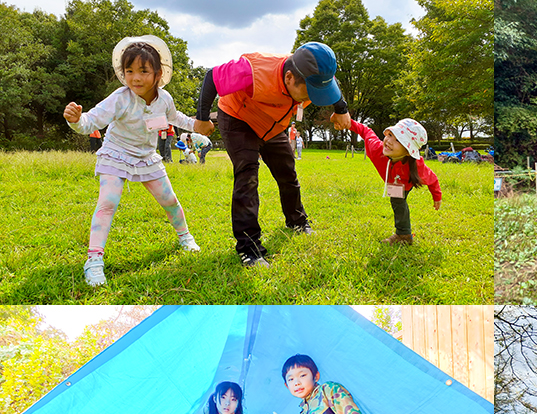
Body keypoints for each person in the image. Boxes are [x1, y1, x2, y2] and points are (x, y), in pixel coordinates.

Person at [63, 35, 210, 286]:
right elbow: (92, 121)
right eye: (129, 71)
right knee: (108, 202)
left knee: (170, 201)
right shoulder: (120, 97)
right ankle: (94, 260)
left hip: (146, 158)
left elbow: (177, 118)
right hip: (116, 153)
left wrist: (198, 126)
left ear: (158, 73)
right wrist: (76, 119)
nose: (135, 78)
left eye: (143, 71)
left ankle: (185, 237)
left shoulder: (164, 99)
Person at [196, 42, 351, 267]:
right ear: (289, 78)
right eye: (310, 92)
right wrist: (202, 118)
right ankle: (249, 248)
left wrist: (342, 109)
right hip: (239, 118)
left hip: (273, 125)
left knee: (287, 172)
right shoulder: (252, 70)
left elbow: (331, 83)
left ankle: (297, 222)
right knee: (247, 176)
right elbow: (212, 77)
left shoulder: (316, 74)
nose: (314, 99)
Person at [346, 118, 441, 245]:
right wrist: (347, 122)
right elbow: (366, 131)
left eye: (398, 140)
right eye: (390, 135)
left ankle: (404, 235)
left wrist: (437, 197)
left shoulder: (416, 166)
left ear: (408, 151)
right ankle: (403, 233)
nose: (389, 141)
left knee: (398, 202)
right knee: (396, 201)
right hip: (393, 182)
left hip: (405, 183)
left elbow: (433, 179)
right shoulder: (377, 150)